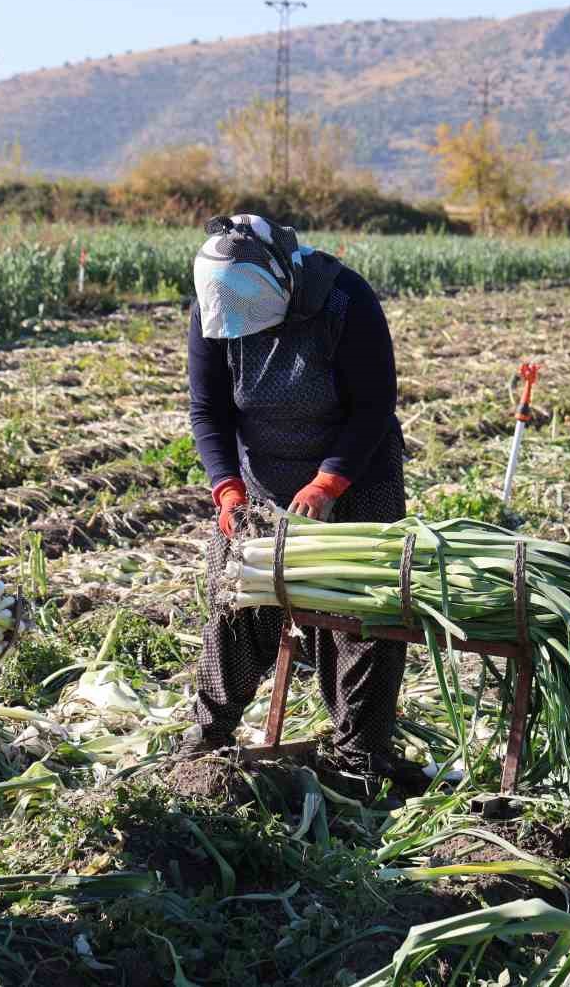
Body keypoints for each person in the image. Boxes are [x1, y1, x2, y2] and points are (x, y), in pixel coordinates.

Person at [178, 213, 424, 791]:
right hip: (260, 484)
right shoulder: (214, 307)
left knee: (361, 612)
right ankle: (208, 734)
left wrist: (328, 482)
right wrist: (226, 487)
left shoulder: (343, 299)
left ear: (281, 279)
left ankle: (359, 754)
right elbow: (208, 412)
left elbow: (373, 407)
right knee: (236, 600)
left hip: (357, 476)